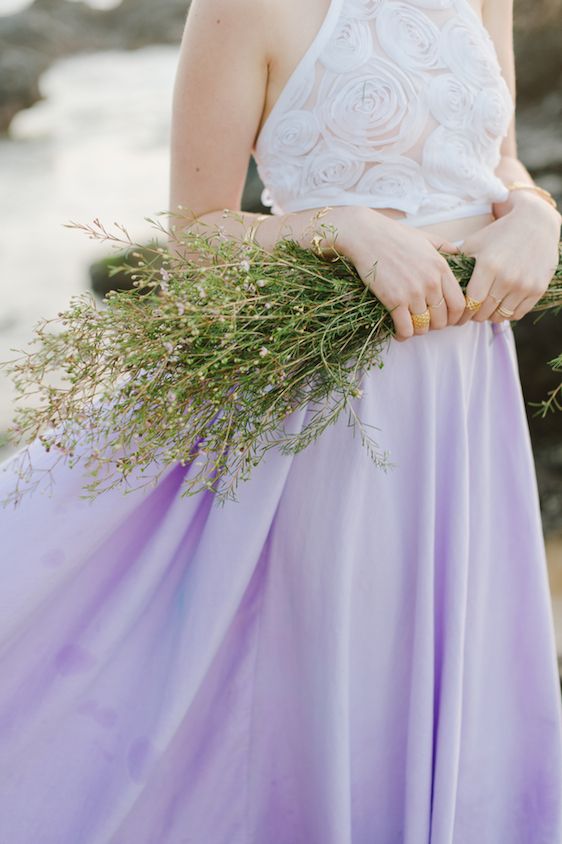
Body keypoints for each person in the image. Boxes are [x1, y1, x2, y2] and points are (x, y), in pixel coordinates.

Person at [0, 0, 561, 841]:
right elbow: (193, 241)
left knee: (462, 672)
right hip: (336, 410)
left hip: (469, 390)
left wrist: (539, 216)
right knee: (338, 677)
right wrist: (340, 227)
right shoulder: (241, 7)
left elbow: (499, 162)